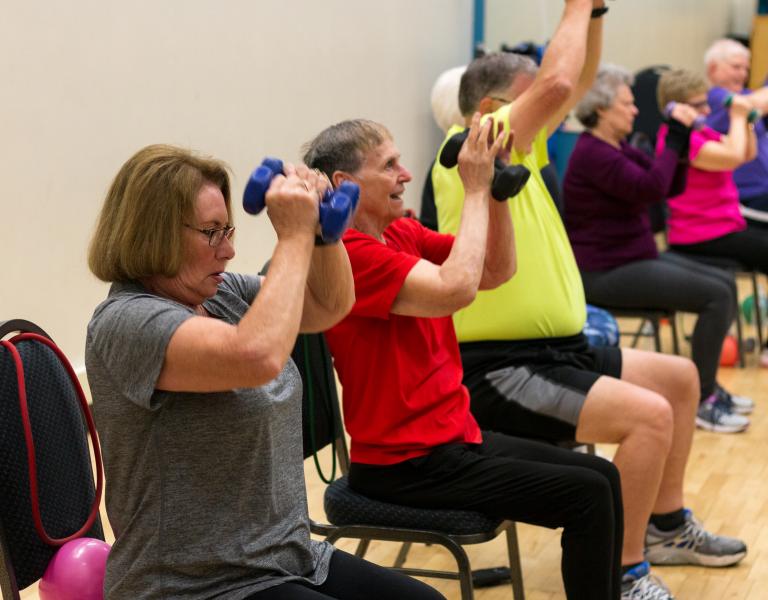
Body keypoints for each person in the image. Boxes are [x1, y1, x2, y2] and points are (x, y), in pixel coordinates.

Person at [430, 3, 748, 599]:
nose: (553, 108)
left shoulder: (518, 149)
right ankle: (625, 572)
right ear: (491, 111)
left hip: (560, 349)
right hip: (504, 367)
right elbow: (556, 82)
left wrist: (595, 14)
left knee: (679, 380)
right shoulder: (464, 150)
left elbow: (568, 81)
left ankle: (667, 528)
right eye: (533, 103)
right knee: (648, 417)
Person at [85, 144, 445, 600]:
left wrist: (320, 233)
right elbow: (257, 357)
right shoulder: (127, 322)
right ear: (153, 235)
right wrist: (292, 237)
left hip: (287, 558)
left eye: (227, 229)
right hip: (193, 586)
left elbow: (329, 306)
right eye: (211, 233)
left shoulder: (221, 294)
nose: (230, 250)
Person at [304, 111, 624, 598]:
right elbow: (455, 289)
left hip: (454, 436)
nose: (405, 175)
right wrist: (473, 190)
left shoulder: (403, 234)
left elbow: (494, 270)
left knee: (601, 474)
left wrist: (494, 193)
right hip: (405, 464)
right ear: (346, 182)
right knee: (587, 496)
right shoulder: (348, 254)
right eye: (389, 165)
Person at [562, 64, 752, 433]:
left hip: (634, 257)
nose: (635, 110)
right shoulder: (593, 154)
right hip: (605, 271)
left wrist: (680, 145)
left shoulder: (614, 147)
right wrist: (678, 137)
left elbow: (664, 185)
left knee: (724, 283)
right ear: (601, 109)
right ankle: (703, 399)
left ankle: (707, 389)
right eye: (627, 103)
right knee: (715, 295)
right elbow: (650, 188)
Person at [656, 68, 768, 367]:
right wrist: (737, 115)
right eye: (698, 105)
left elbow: (743, 154)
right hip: (699, 235)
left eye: (706, 103)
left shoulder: (699, 131)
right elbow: (731, 156)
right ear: (676, 107)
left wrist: (748, 123)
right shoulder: (677, 139)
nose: (706, 110)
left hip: (723, 229)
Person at [704, 39, 768, 218]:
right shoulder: (714, 98)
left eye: (746, 69)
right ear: (712, 69)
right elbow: (750, 104)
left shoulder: (744, 95)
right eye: (736, 67)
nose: (743, 74)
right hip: (749, 196)